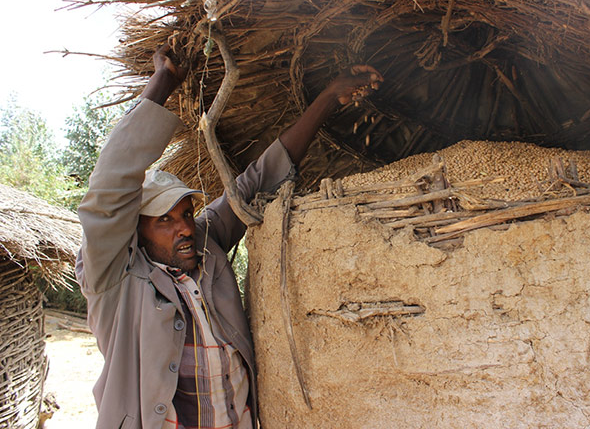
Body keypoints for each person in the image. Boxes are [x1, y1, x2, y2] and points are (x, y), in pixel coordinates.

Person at [75, 43, 382, 429]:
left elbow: (258, 179)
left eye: (186, 213)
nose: (185, 226)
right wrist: (163, 80)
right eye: (164, 220)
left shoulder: (206, 245)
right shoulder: (115, 279)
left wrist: (327, 98)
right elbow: (109, 184)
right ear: (135, 230)